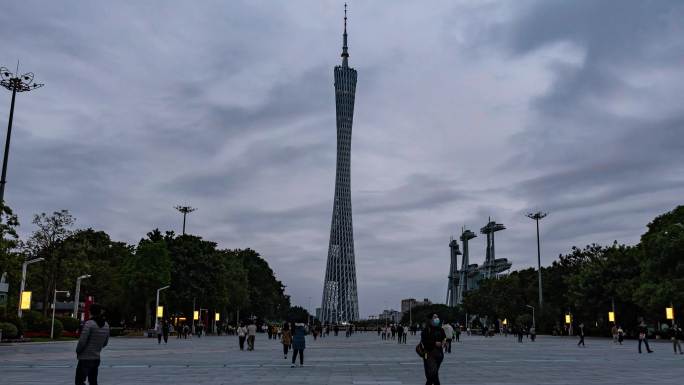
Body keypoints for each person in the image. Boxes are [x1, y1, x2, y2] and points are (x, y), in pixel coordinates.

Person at [75, 303, 110, 385]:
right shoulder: (106, 325)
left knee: (79, 381)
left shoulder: (89, 324)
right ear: (100, 312)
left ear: (90, 311)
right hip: (96, 358)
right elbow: (105, 343)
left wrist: (78, 351)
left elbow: (82, 341)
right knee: (93, 381)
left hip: (85, 358)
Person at [420, 314, 446, 385]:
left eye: (437, 317)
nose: (437, 318)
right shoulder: (426, 330)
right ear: (430, 320)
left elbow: (444, 338)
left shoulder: (440, 329)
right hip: (429, 354)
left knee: (433, 374)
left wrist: (443, 342)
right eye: (434, 317)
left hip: (439, 354)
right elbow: (424, 342)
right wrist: (434, 343)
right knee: (433, 374)